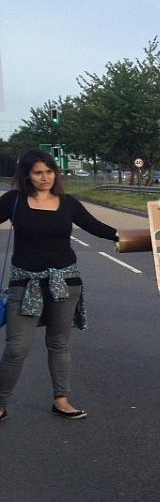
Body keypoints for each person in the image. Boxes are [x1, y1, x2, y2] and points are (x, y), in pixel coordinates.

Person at [0, 149, 120, 422]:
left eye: (50, 171)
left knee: (59, 343)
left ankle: (62, 401)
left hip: (65, 283)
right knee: (17, 347)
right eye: (38, 172)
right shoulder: (14, 201)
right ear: (27, 175)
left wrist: (131, 237)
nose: (45, 178)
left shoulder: (67, 202)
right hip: (25, 283)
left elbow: (95, 226)